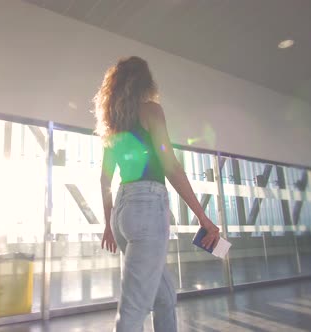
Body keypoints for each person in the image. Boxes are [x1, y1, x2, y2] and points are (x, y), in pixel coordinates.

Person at [94, 56, 220, 332]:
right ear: (145, 82)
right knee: (133, 310)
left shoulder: (113, 125)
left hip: (122, 213)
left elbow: (105, 178)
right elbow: (171, 166)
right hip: (147, 209)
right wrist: (203, 217)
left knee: (164, 297)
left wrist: (108, 223)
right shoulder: (151, 111)